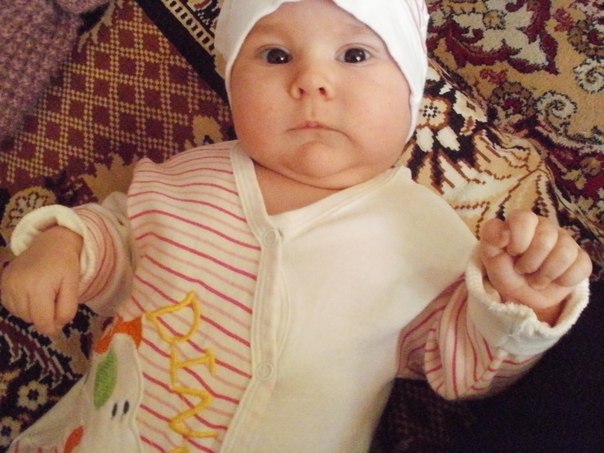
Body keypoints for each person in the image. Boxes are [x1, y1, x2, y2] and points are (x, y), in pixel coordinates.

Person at [0, 0, 592, 451]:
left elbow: (461, 367)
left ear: (411, 96)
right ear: (233, 86)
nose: (311, 80)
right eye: (275, 56)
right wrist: (62, 245)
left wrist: (521, 302)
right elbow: (117, 240)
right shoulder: (186, 179)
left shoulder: (425, 235)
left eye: (355, 55)